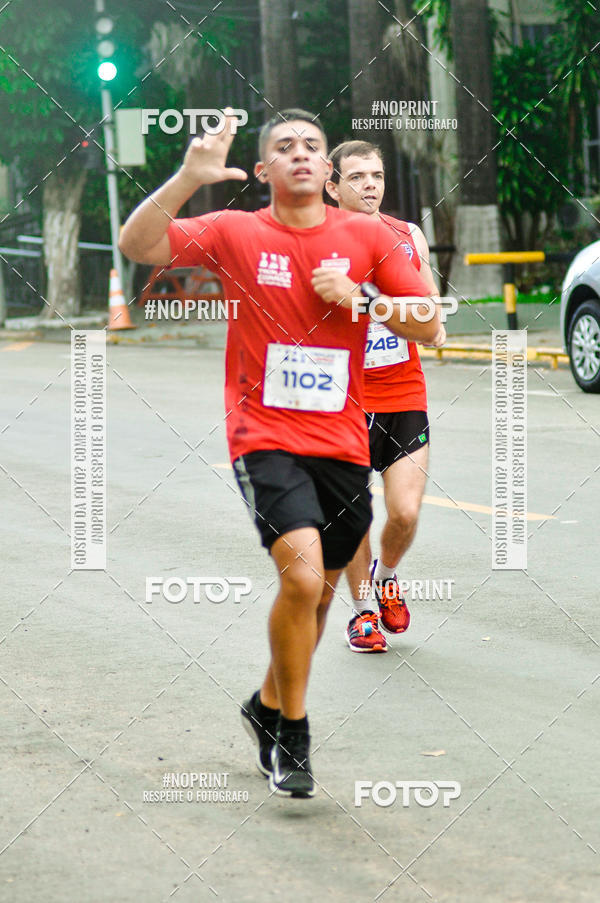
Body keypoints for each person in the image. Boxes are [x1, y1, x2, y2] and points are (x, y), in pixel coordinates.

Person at [119, 110, 440, 798]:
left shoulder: (368, 237)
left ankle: (265, 704)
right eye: (284, 146)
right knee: (301, 577)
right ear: (263, 169)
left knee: (317, 596)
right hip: (263, 434)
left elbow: (431, 323)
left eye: (312, 146)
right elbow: (138, 243)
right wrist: (188, 177)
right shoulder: (235, 231)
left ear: (327, 170)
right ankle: (293, 730)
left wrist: (363, 299)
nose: (300, 154)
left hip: (343, 439)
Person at [326, 140, 444, 654]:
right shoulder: (314, 243)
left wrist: (414, 315)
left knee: (405, 512)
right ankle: (362, 613)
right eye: (356, 177)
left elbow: (431, 314)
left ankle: (386, 576)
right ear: (333, 187)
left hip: (402, 393)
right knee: (355, 514)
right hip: (342, 401)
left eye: (375, 175)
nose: (369, 185)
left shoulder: (407, 236)